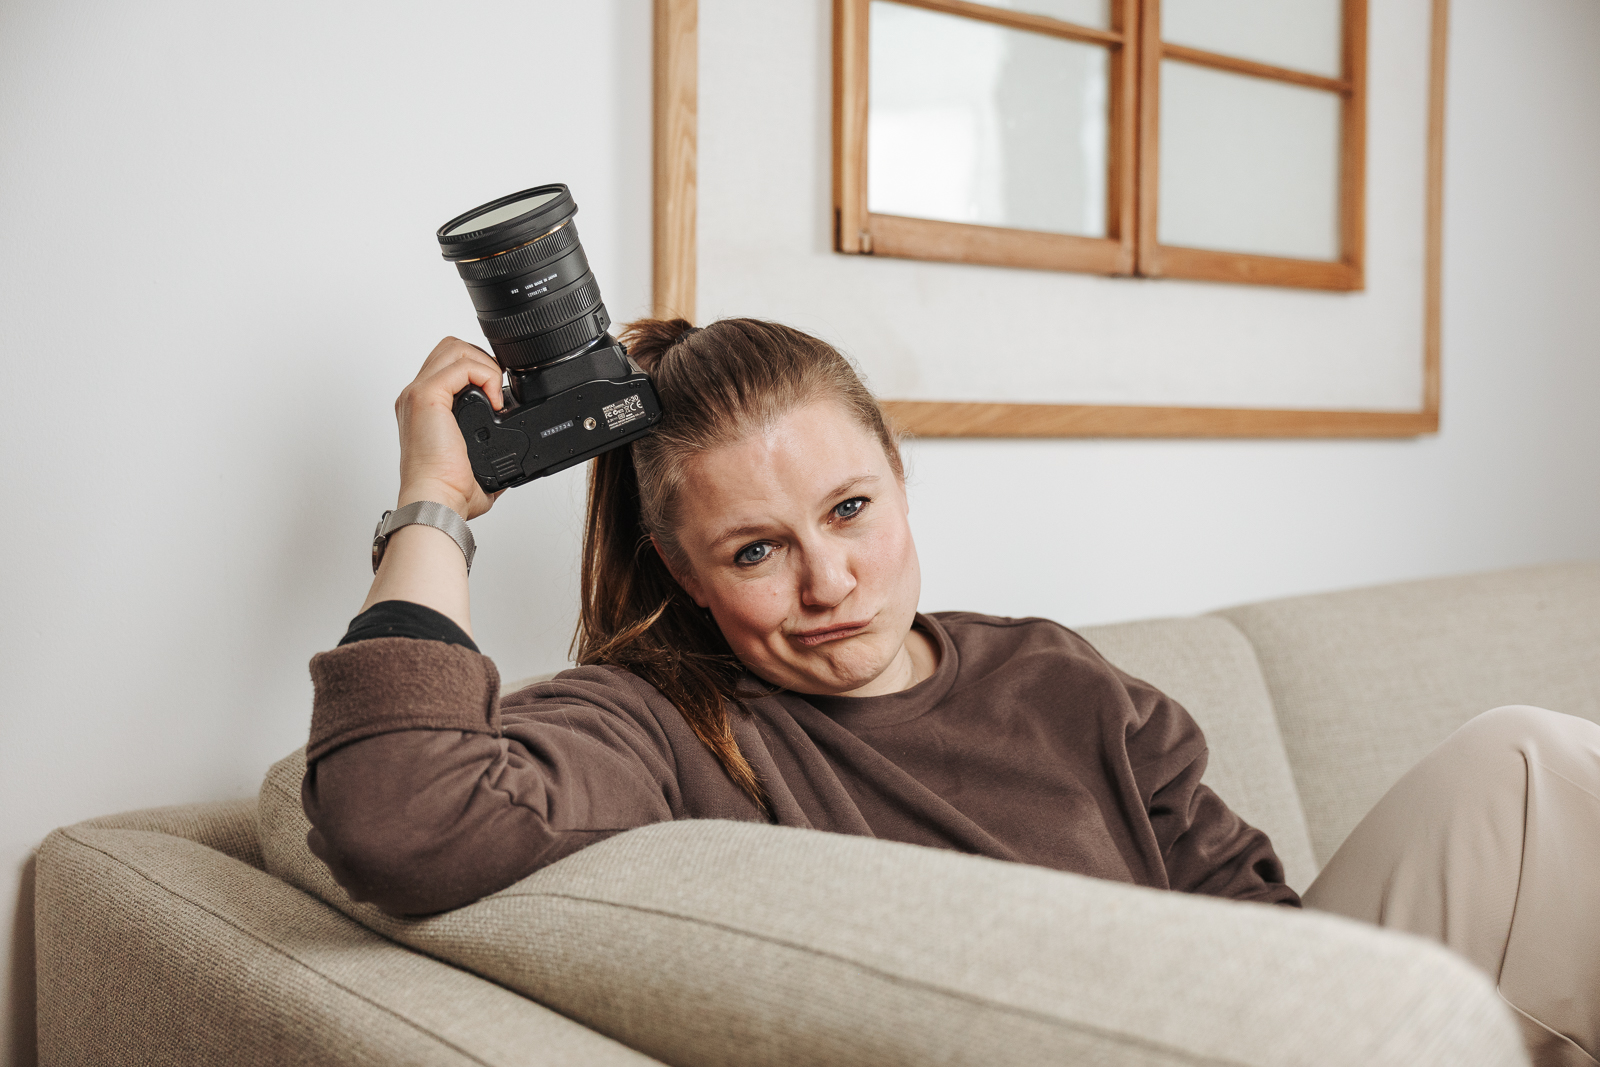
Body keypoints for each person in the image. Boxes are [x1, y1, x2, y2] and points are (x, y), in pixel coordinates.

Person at [304, 317, 1598, 1067]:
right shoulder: (650, 721)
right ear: (686, 576)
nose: (831, 581)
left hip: (1265, 1023)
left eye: (852, 510)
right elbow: (397, 814)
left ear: (900, 486)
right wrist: (434, 507)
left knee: (1529, 764)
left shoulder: (1054, 674)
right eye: (758, 550)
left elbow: (1258, 919)